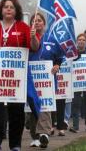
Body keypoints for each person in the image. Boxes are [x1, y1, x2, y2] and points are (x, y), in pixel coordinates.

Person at [0, 0, 39, 151]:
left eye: (12, 7)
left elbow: (34, 47)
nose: (8, 9)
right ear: (1, 10)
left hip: (16, 77)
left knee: (16, 110)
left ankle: (15, 145)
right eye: (6, 7)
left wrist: (33, 37)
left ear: (16, 10)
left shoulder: (24, 27)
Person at [27, 12, 65, 148]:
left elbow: (60, 57)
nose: (36, 23)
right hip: (31, 78)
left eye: (39, 20)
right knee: (33, 105)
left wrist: (57, 65)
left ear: (44, 23)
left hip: (47, 78)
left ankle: (43, 133)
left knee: (45, 104)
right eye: (34, 21)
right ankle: (35, 136)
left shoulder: (52, 39)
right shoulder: (27, 37)